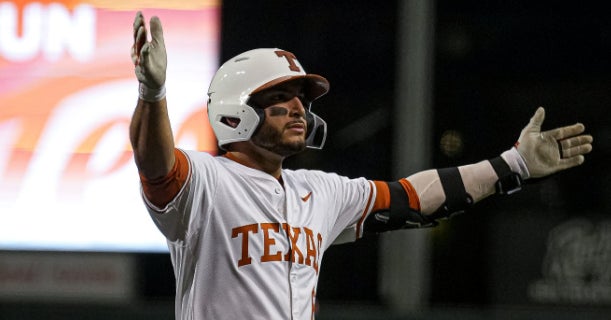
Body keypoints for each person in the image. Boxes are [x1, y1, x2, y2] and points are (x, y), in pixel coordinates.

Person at [129, 12, 593, 320]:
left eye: (302, 100)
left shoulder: (319, 192)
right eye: (280, 98)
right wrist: (153, 96)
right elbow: (156, 166)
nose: (299, 109)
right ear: (235, 112)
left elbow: (415, 197)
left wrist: (514, 163)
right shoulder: (207, 181)